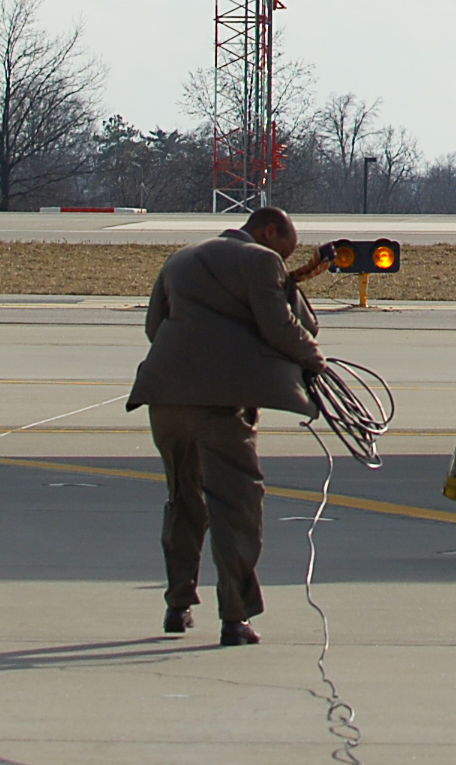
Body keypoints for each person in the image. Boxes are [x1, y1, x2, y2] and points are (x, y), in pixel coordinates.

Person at [127, 206, 325, 647]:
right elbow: (283, 326)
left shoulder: (180, 258)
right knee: (235, 504)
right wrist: (316, 361)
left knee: (183, 498)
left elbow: (154, 326)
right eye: (284, 249)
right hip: (219, 404)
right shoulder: (260, 261)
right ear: (268, 231)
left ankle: (178, 605)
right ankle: (235, 617)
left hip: (164, 397)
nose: (284, 259)